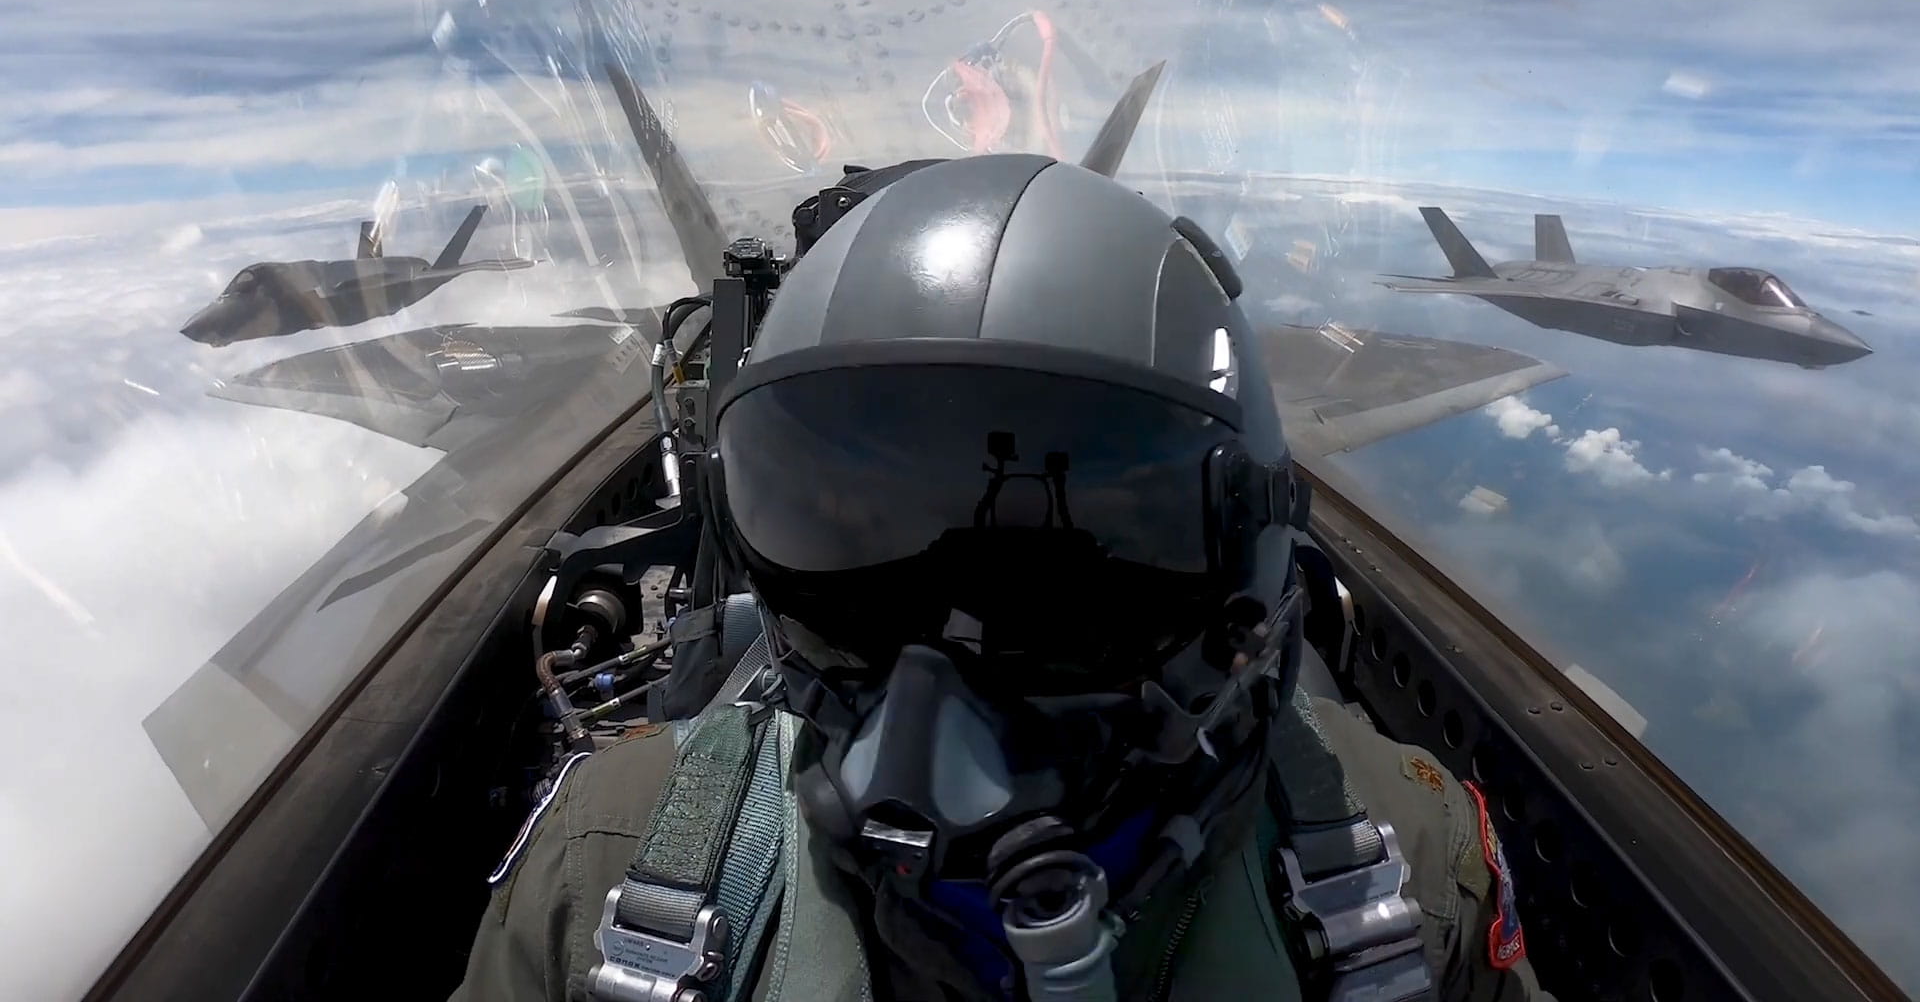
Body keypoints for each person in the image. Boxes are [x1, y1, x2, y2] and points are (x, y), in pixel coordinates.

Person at [452, 153, 1555, 1002]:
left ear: (1246, 597)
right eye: (860, 556)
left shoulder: (1402, 862)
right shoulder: (616, 867)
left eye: (1056, 597)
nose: (933, 692)